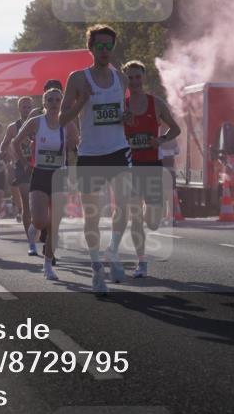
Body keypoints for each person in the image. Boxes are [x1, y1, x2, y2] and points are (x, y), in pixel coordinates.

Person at [59, 24, 133, 293]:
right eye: (99, 46)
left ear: (113, 48)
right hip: (90, 153)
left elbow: (123, 114)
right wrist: (81, 103)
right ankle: (96, 268)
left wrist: (126, 118)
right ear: (90, 48)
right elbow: (61, 120)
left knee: (124, 206)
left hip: (118, 150)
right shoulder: (78, 78)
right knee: (91, 215)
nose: (104, 50)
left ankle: (112, 251)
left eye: (108, 46)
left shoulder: (121, 79)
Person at [122, 60, 181, 278]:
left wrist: (161, 139)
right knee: (136, 216)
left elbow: (176, 129)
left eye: (138, 77)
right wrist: (121, 124)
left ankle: (148, 224)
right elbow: (109, 132)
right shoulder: (121, 105)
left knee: (153, 220)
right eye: (130, 78)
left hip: (152, 165)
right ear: (125, 80)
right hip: (130, 166)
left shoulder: (155, 104)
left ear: (143, 78)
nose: (135, 81)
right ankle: (141, 262)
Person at [13, 88, 79, 281]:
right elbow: (16, 143)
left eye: (57, 99)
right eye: (49, 99)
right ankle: (35, 226)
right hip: (40, 174)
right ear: (44, 103)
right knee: (42, 221)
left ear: (61, 103)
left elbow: (75, 148)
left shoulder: (68, 125)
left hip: (59, 176)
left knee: (55, 225)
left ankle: (48, 264)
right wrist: (26, 164)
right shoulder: (36, 122)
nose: (53, 103)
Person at [1, 97, 36, 240]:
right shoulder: (13, 127)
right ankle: (31, 239)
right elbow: (4, 145)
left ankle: (42, 228)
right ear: (19, 109)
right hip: (21, 166)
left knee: (41, 202)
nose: (26, 110)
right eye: (23, 107)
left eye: (29, 107)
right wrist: (4, 153)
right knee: (26, 202)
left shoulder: (39, 123)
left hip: (39, 165)